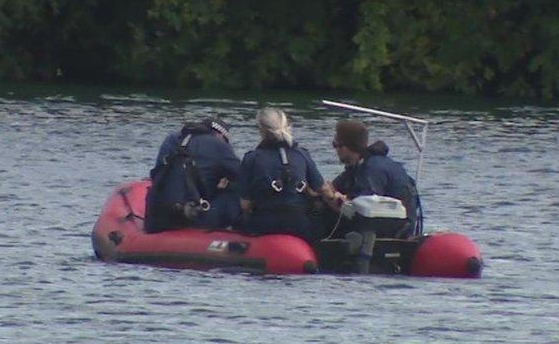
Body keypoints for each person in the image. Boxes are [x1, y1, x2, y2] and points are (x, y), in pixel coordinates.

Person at [326, 119, 421, 272]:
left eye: (337, 145)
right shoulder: (358, 166)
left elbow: (364, 210)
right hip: (389, 227)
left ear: (350, 147)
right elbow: (333, 186)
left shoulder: (372, 169)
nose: (335, 150)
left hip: (393, 232)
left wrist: (333, 198)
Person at [238, 107, 330, 241]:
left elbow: (245, 205)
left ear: (261, 130)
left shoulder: (252, 158)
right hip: (299, 225)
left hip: (265, 225)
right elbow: (322, 189)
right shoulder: (302, 154)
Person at [144, 116, 242, 233]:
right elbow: (245, 177)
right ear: (219, 135)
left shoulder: (171, 139)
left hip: (158, 218)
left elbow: (156, 174)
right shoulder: (219, 146)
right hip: (192, 218)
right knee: (232, 192)